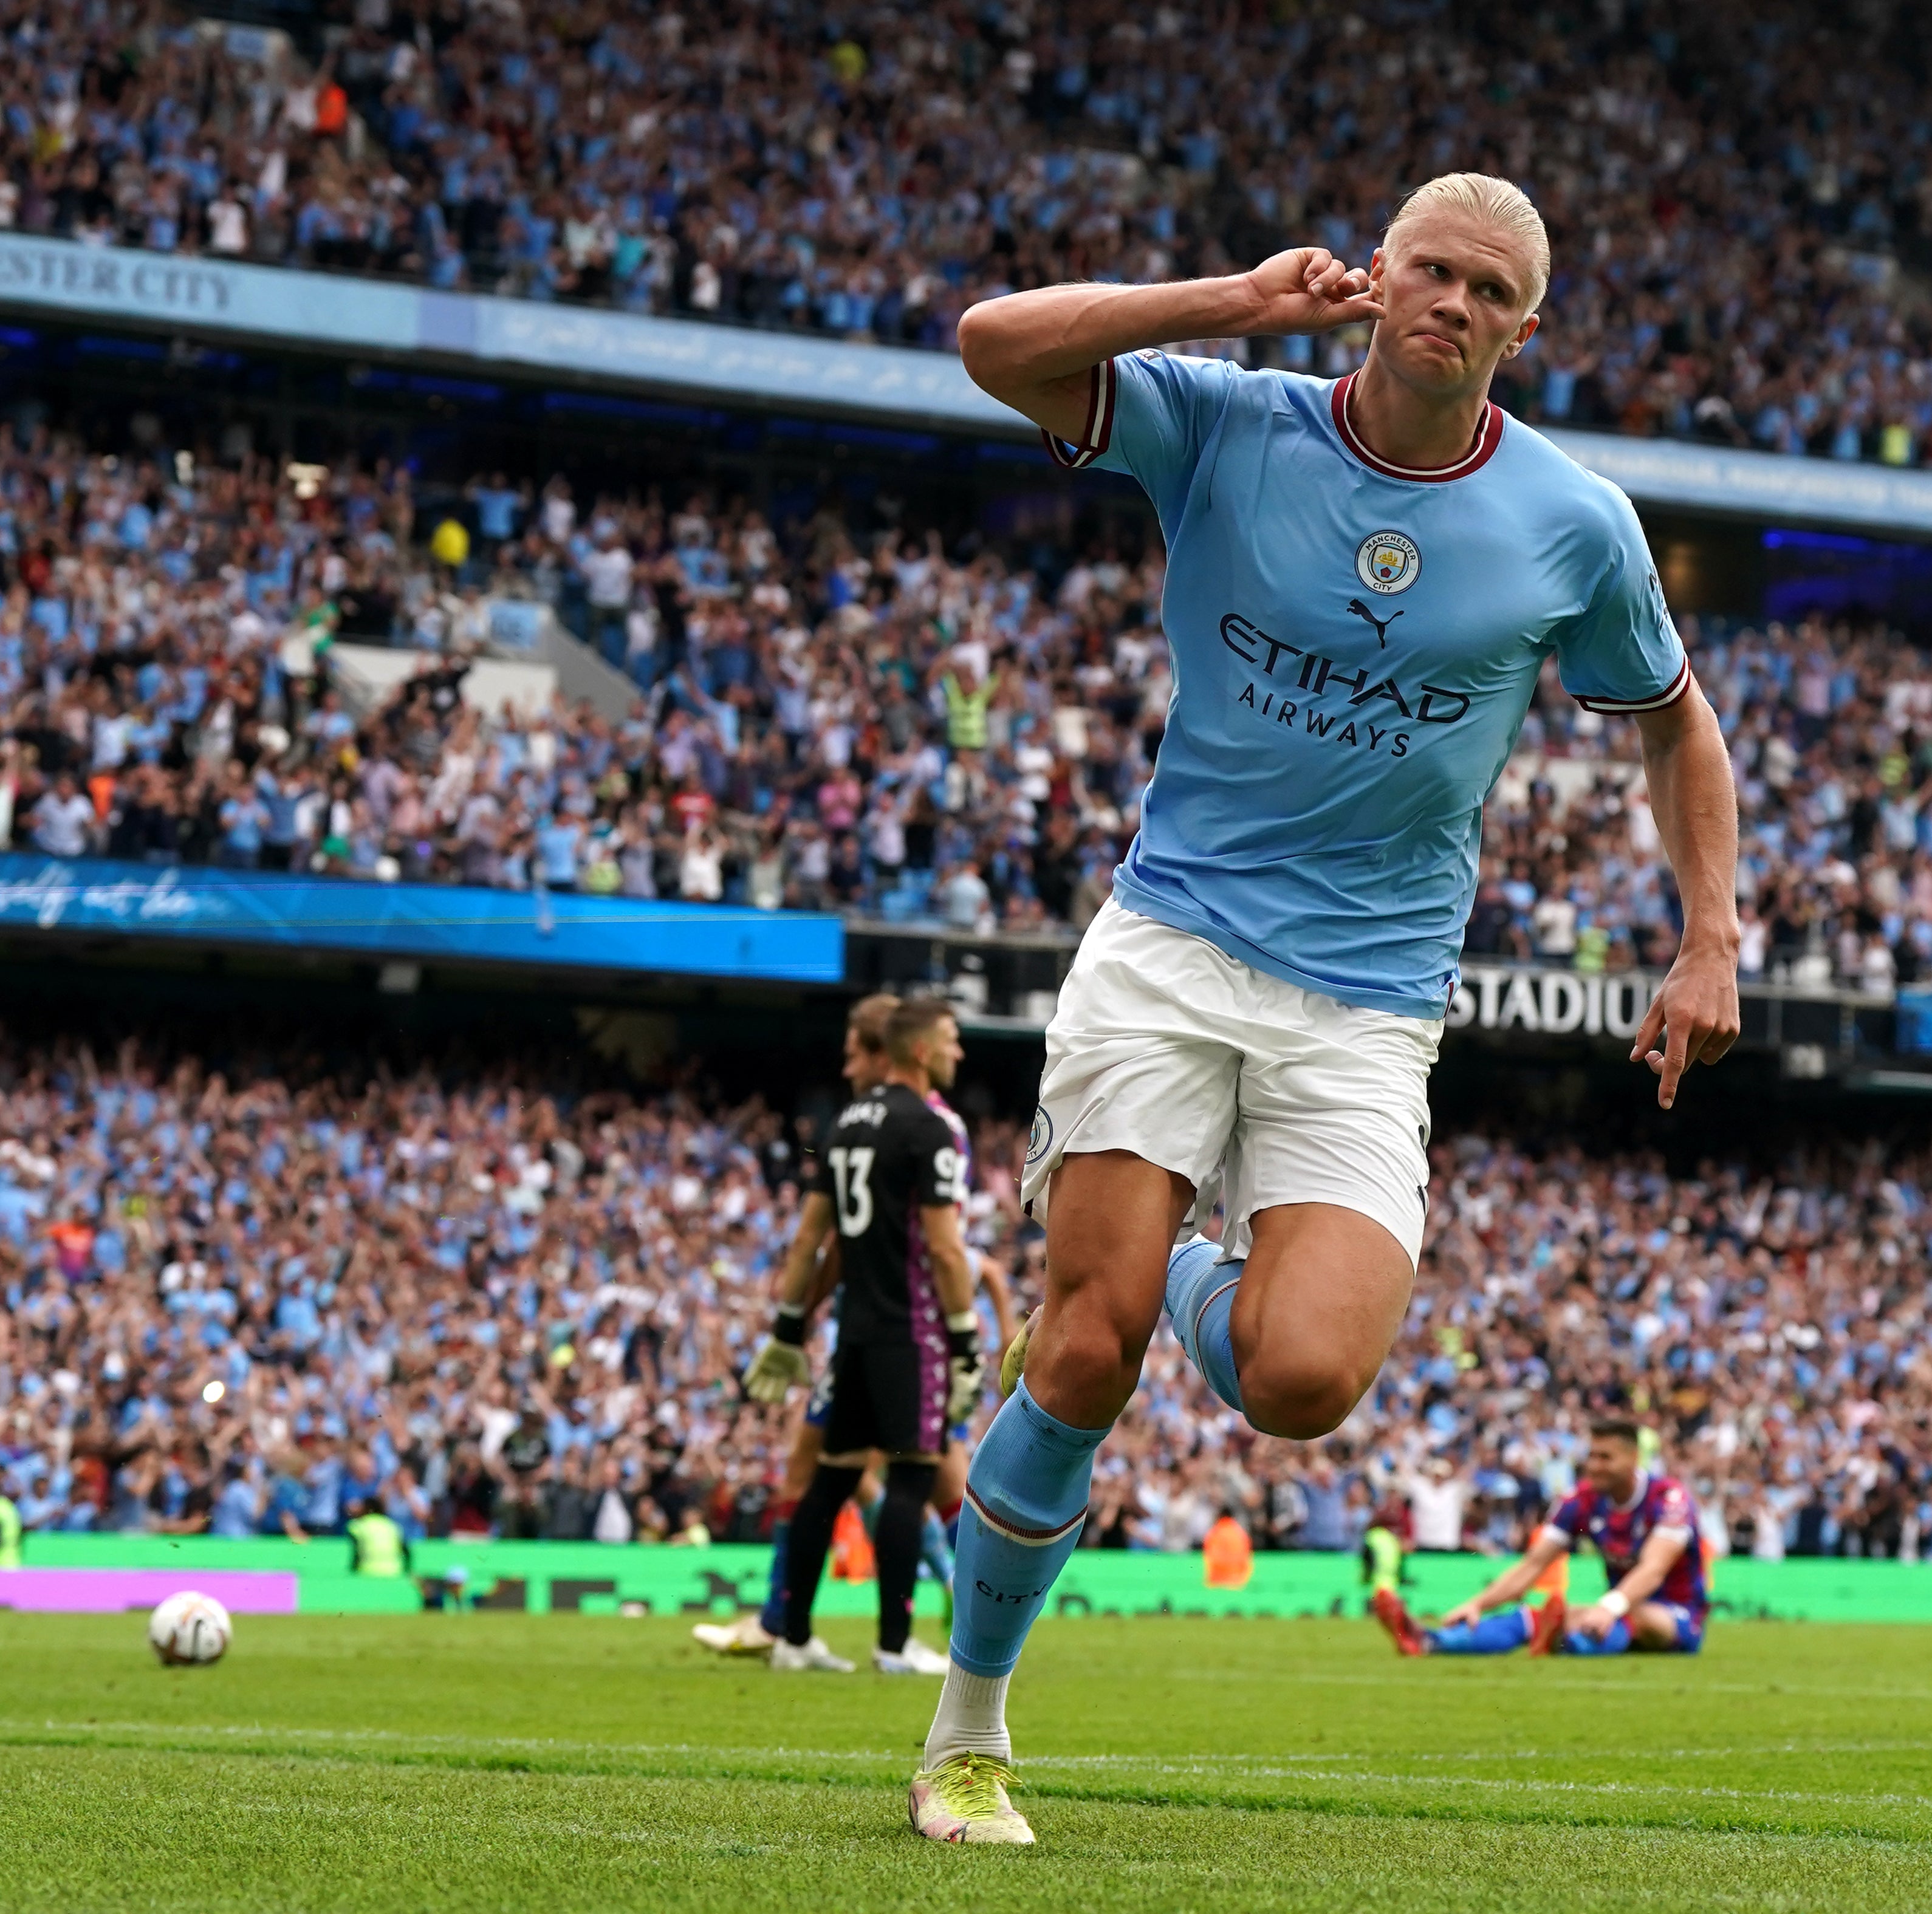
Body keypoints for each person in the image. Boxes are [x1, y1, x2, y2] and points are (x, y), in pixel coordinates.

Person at [911, 171, 1741, 1845]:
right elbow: (989, 344)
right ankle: (967, 1734)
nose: (1452, 301)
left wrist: (1708, 932)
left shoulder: (1574, 521)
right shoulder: (1233, 419)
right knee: (1084, 1341)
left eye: (1489, 289)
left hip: (1367, 1002)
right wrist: (1229, 299)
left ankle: (1180, 1265)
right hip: (1171, 945)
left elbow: (1672, 721)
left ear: (1525, 326)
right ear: (1378, 276)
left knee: (1301, 1378)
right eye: (1430, 269)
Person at [738, 996, 985, 1677]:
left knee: (830, 1480)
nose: (956, 1053)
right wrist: (966, 1342)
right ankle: (894, 1642)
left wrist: (789, 1326)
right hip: (910, 1333)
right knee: (908, 1479)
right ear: (919, 1050)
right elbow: (943, 1248)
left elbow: (812, 1239)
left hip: (852, 1333)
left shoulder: (844, 1124)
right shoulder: (931, 1129)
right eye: (949, 1040)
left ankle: (791, 1636)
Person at [1372, 1421, 1707, 1659]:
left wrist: (1608, 1607)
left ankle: (1567, 1645)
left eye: (1606, 1458)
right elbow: (1533, 1563)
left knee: (1634, 1617)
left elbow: (1654, 1569)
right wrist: (1479, 1604)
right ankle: (1431, 1642)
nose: (1594, 1466)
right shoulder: (1581, 1500)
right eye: (1592, 1455)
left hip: (1676, 1616)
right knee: (1531, 1616)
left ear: (1634, 1459)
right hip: (1617, 1608)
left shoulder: (1669, 1499)